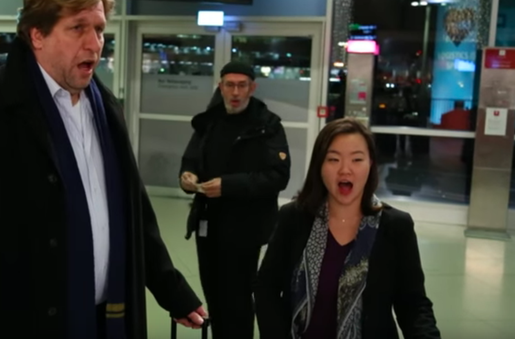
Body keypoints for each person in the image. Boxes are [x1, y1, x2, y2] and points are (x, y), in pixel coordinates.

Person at [0, 0, 206, 339]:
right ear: (36, 35)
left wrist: (170, 288)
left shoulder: (106, 108)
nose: (94, 44)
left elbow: (130, 210)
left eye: (100, 29)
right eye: (77, 28)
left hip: (110, 319)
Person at [254, 118, 440, 339]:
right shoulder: (293, 218)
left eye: (357, 159)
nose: (345, 170)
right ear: (319, 166)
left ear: (370, 164)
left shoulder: (396, 226)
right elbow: (267, 289)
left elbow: (413, 305)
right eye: (333, 159)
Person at [179, 62, 291, 339]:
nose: (235, 92)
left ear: (252, 88)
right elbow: (190, 159)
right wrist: (187, 176)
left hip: (245, 228)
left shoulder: (267, 125)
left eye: (242, 85)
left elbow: (277, 176)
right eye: (229, 84)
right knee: (214, 294)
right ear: (221, 86)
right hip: (208, 225)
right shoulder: (210, 121)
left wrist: (228, 186)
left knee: (238, 298)